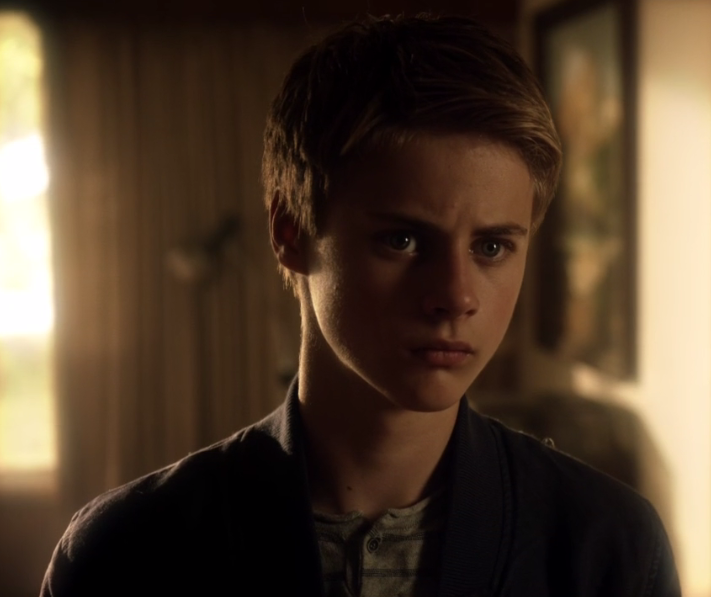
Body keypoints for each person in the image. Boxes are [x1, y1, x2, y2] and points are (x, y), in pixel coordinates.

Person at [40, 14, 680, 597]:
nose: (456, 296)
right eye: (403, 240)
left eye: (491, 246)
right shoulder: (127, 554)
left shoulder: (609, 548)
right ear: (290, 232)